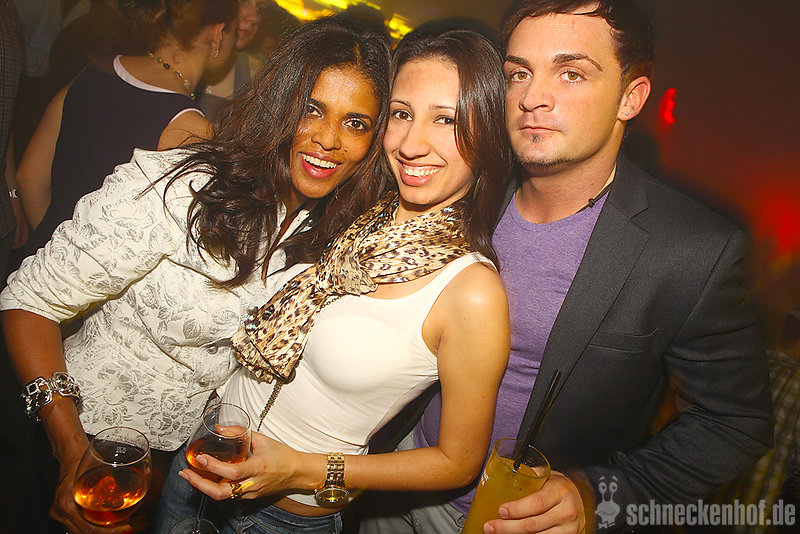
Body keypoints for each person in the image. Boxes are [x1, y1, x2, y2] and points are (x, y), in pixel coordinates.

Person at [360, 1, 774, 533]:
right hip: (392, 485)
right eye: (518, 74)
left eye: (571, 73)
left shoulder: (690, 250)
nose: (533, 97)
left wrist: (596, 495)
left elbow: (736, 422)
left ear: (631, 97)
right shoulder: (463, 184)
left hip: (512, 521)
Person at [0, 15, 391, 534]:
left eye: (356, 123)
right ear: (280, 104)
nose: (328, 139)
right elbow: (28, 301)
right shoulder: (182, 189)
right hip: (83, 439)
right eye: (311, 109)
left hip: (182, 471)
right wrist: (70, 448)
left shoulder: (328, 237)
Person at [156, 29, 512, 534]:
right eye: (402, 114)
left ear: (488, 133)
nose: (412, 144)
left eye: (447, 120)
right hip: (201, 462)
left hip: (281, 517)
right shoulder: (354, 212)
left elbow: (457, 462)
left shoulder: (471, 291)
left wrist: (302, 470)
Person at [14, 0, 240, 264]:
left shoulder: (94, 70)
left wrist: (58, 249)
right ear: (218, 33)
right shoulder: (191, 128)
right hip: (96, 284)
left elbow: (29, 177)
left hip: (40, 264)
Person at [196, 0, 270, 119]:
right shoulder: (172, 61)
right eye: (241, 1)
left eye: (259, 8)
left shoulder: (258, 77)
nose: (254, 18)